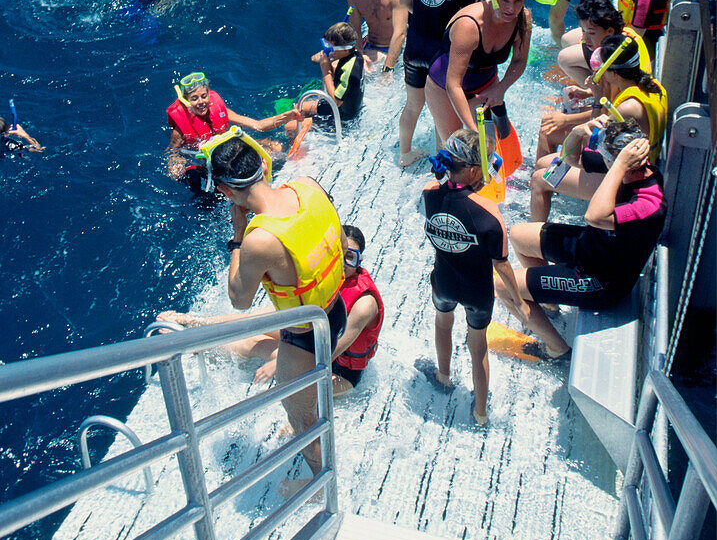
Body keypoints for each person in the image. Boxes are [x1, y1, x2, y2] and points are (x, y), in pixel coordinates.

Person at [194, 130, 348, 479]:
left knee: (301, 418)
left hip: (304, 336)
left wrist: (237, 237)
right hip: (338, 307)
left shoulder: (259, 240)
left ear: (225, 191)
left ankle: (322, 487)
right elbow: (336, 240)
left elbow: (239, 299)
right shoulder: (309, 186)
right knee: (306, 394)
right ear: (263, 165)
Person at [422, 130, 567, 425]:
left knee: (442, 323)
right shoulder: (490, 214)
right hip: (477, 292)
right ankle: (481, 414)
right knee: (478, 350)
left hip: (444, 281)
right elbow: (502, 266)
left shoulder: (428, 193)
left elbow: (444, 198)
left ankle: (443, 376)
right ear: (476, 170)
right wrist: (519, 302)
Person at [158, 224, 383, 397]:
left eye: (350, 258)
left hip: (339, 370)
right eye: (339, 252)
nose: (342, 263)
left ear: (360, 261)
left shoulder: (364, 304)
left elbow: (333, 349)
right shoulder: (327, 273)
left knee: (253, 345)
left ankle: (190, 344)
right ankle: (195, 323)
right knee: (256, 321)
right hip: (314, 340)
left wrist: (280, 362)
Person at [504, 122, 665, 313]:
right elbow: (572, 159)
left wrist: (617, 166)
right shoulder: (633, 168)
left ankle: (558, 344)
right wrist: (576, 132)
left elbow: (593, 216)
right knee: (517, 234)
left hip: (601, 280)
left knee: (505, 287)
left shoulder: (649, 202)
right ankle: (550, 305)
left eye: (607, 161)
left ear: (623, 164)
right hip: (591, 247)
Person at [529, 35, 668, 222]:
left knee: (539, 178)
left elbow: (589, 145)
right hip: (639, 163)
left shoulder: (627, 108)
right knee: (543, 164)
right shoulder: (652, 86)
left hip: (624, 180)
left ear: (614, 74)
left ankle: (533, 234)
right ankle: (555, 193)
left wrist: (596, 98)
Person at [398, 0, 480, 166]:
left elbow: (406, 3)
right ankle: (440, 162)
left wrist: (427, 12)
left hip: (414, 48)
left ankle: (404, 154)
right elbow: (467, 23)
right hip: (441, 59)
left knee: (413, 106)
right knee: (440, 115)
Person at [424, 0, 532, 147]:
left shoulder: (523, 19)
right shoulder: (469, 26)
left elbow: (520, 60)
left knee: (494, 144)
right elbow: (453, 84)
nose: (511, 9)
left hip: (486, 85)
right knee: (457, 146)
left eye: (518, 2)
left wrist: (500, 88)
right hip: (444, 87)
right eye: (504, 0)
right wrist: (472, 128)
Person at [538, 0, 626, 160]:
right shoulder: (619, 46)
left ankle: (540, 179)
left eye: (591, 33)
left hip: (615, 135)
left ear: (610, 31)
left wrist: (566, 120)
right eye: (583, 31)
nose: (585, 39)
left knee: (547, 129)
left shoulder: (614, 65)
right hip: (615, 118)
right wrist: (588, 92)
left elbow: (608, 112)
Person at [166, 72, 300, 178]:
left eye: (204, 96)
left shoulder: (220, 111)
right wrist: (175, 163)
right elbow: (172, 151)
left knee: (276, 147)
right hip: (208, 162)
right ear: (186, 102)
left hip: (230, 150)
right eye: (194, 99)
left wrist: (287, 116)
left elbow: (258, 125)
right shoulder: (179, 132)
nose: (201, 102)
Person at [302, 23, 365, 125]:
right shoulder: (355, 55)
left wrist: (326, 72)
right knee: (299, 107)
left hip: (343, 118)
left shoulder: (349, 71)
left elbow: (336, 102)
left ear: (345, 49)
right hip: (342, 107)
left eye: (331, 48)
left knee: (289, 127)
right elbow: (314, 58)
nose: (328, 52)